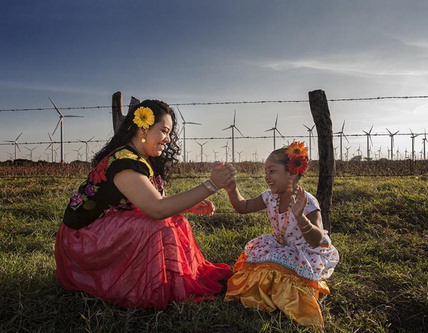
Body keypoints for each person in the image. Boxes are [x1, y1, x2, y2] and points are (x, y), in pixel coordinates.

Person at [55, 99, 235, 308]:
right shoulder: (124, 163)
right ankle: (147, 286)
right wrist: (212, 184)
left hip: (103, 230)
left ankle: (172, 282)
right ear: (143, 129)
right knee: (159, 228)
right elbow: (156, 209)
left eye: (169, 133)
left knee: (177, 221)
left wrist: (186, 207)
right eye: (164, 131)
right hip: (83, 242)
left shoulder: (139, 159)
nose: (167, 139)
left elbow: (144, 202)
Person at [223, 141, 339, 327]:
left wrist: (300, 217)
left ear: (291, 172)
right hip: (282, 246)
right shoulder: (270, 196)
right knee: (257, 266)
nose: (266, 177)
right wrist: (231, 189)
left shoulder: (307, 202)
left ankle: (285, 298)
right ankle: (267, 297)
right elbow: (244, 207)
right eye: (265, 172)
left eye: (271, 171)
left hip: (305, 254)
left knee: (273, 270)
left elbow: (316, 240)